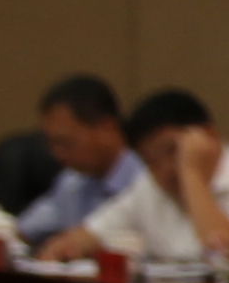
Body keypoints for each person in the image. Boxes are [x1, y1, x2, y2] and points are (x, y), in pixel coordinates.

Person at [74, 87, 229, 270]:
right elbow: (87, 235)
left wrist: (191, 171)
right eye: (151, 162)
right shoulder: (149, 187)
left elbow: (227, 257)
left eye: (173, 151)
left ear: (209, 134)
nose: (166, 171)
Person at [12, 75, 143, 246]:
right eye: (52, 143)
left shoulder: (147, 182)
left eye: (66, 143)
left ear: (107, 128)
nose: (57, 154)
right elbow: (22, 231)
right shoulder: (71, 182)